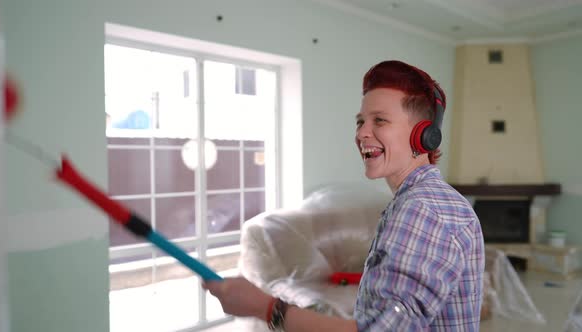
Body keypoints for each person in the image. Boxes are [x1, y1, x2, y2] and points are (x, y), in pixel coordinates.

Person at [204, 60, 485, 331]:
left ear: (423, 137)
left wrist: (265, 308)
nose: (362, 133)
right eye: (360, 121)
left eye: (380, 120)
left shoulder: (423, 210)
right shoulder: (424, 201)